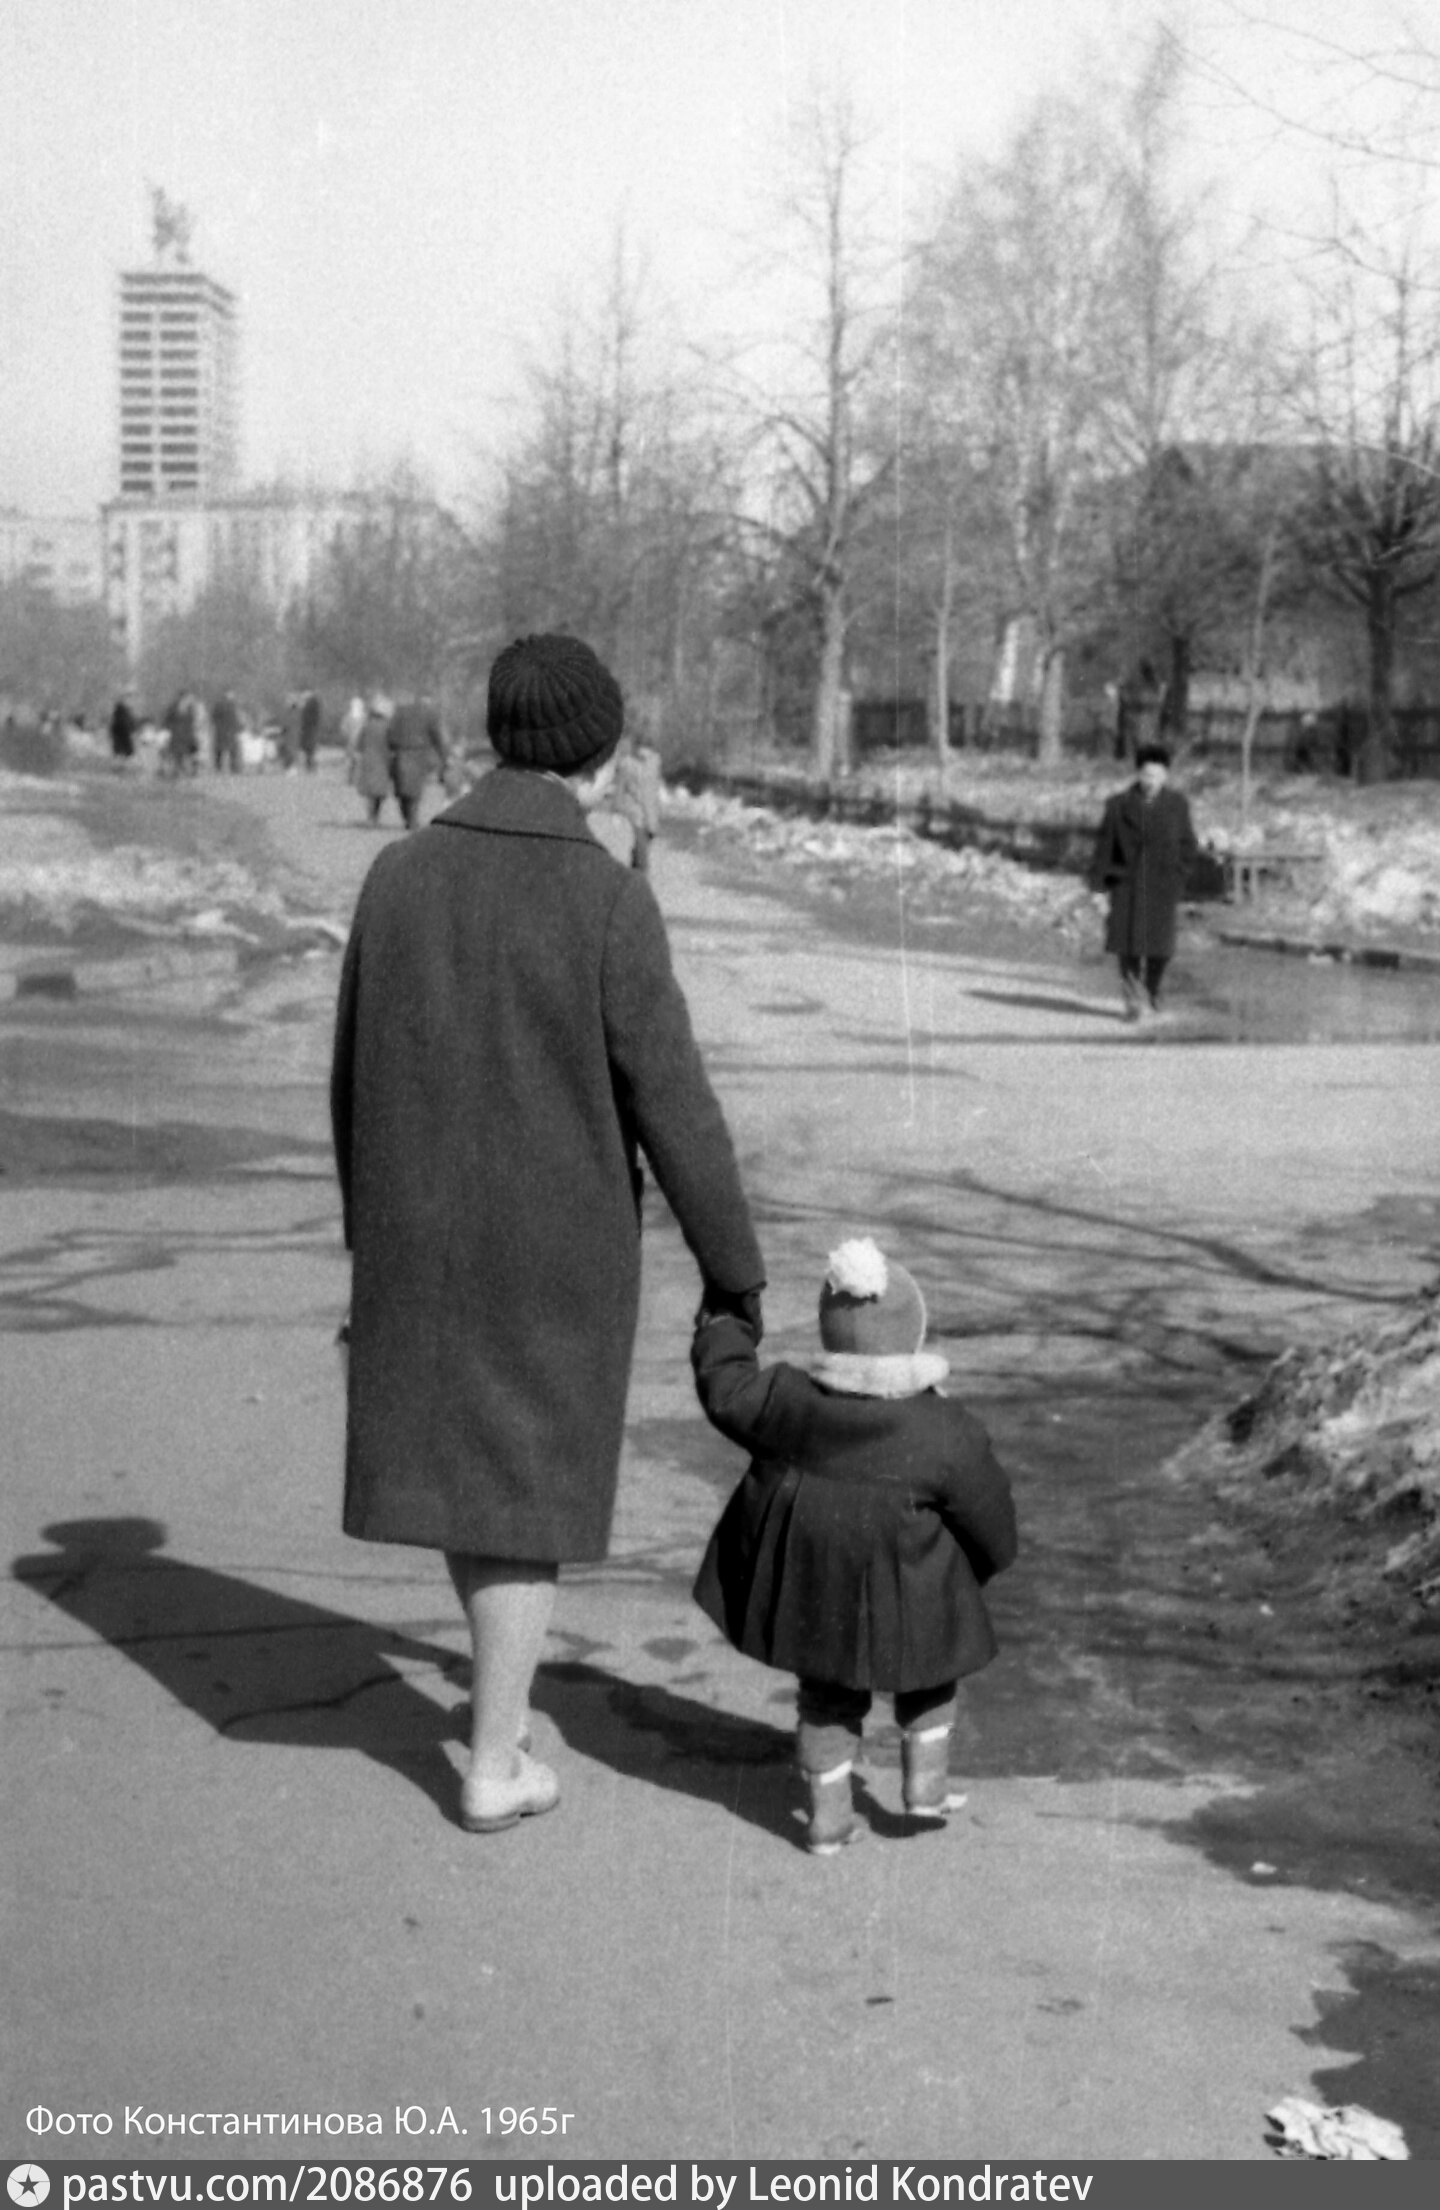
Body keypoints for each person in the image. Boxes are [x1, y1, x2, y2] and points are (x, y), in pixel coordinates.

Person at [331, 632, 766, 1835]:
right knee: (521, 1493)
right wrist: (735, 1271)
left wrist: (371, 1244)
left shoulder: (397, 875)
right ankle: (493, 1756)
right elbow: (676, 1105)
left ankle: (497, 1720)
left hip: (419, 1236)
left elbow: (351, 1077)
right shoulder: (608, 898)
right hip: (555, 1252)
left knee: (479, 1488)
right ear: (602, 753)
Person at [691, 1236, 1017, 1856]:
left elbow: (726, 1389)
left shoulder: (789, 1402)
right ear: (914, 1335)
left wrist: (723, 1324)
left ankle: (828, 1822)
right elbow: (989, 1513)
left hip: (821, 1589)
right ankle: (925, 1787)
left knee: (826, 1698)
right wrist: (983, 1566)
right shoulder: (945, 1428)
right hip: (916, 1589)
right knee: (931, 1674)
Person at [1088, 741, 1199, 1022]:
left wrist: (1179, 877)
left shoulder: (1177, 805)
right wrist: (1098, 888)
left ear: (1166, 776)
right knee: (1128, 949)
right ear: (1138, 774)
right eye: (1146, 774)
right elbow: (1104, 848)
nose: (1151, 781)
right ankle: (1133, 1002)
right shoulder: (1118, 806)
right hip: (1127, 885)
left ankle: (1152, 988)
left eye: (1157, 775)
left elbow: (1188, 845)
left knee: (1160, 949)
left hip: (1162, 886)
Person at [385, 693, 449, 829]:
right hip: (420, 753)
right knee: (415, 788)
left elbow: (391, 733)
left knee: (402, 787)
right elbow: (437, 736)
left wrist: (394, 746)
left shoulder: (401, 711)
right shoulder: (430, 714)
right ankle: (412, 819)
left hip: (401, 752)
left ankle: (408, 817)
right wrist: (443, 754)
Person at [353, 693, 395, 824]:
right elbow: (393, 743)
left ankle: (371, 817)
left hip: (369, 760)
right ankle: (375, 816)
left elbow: (359, 743)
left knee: (370, 792)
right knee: (378, 792)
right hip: (383, 761)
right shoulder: (388, 727)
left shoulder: (367, 726)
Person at [211, 690, 241, 774]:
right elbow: (235, 719)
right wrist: (237, 728)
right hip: (229, 731)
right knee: (232, 750)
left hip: (221, 731)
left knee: (220, 750)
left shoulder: (218, 705)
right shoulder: (232, 706)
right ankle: (234, 768)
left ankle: (218, 768)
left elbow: (213, 718)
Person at [108, 696, 136, 767]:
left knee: (119, 753)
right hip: (125, 738)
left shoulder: (116, 717)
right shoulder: (126, 717)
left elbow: (112, 728)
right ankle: (124, 765)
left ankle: (119, 765)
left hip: (118, 738)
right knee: (126, 753)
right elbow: (131, 726)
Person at [299, 690, 322, 772]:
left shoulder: (310, 706)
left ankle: (311, 767)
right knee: (310, 751)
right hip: (310, 731)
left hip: (309, 731)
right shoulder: (314, 706)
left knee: (309, 750)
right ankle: (311, 767)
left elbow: (305, 719)